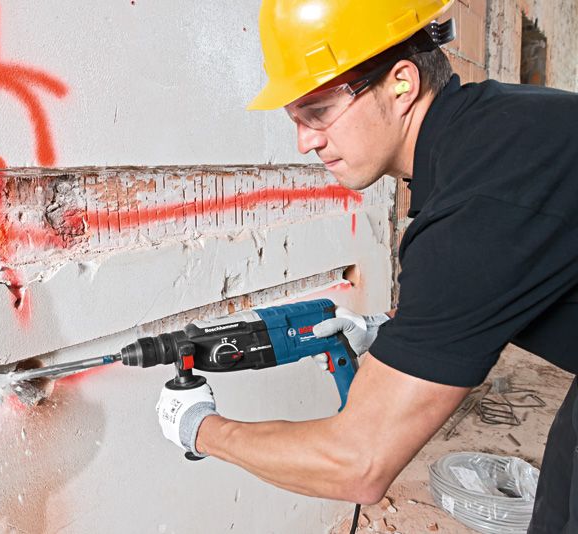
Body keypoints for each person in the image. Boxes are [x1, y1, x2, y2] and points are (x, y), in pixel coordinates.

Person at [154, 1, 578, 531]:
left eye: (319, 111)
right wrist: (400, 334)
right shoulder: (493, 129)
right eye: (295, 118)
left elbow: (357, 464)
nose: (304, 140)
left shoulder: (476, 207)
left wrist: (199, 428)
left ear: (402, 83)